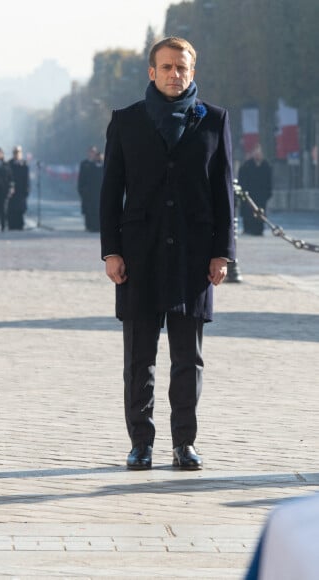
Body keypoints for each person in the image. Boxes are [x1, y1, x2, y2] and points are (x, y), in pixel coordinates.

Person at [100, 36, 235, 471]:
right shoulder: (126, 121)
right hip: (139, 256)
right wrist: (111, 252)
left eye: (182, 68)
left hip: (194, 257)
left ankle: (184, 443)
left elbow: (223, 194)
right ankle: (141, 442)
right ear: (151, 72)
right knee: (139, 358)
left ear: (193, 72)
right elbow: (110, 193)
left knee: (187, 359)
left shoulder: (214, 120)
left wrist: (222, 254)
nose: (175, 74)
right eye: (167, 67)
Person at [238, 144, 272, 235]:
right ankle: (248, 229)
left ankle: (259, 230)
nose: (258, 155)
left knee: (260, 213)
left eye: (259, 153)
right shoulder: (246, 166)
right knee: (248, 213)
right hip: (249, 195)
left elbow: (269, 181)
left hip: (261, 196)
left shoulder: (266, 166)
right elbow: (242, 181)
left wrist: (268, 193)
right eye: (256, 153)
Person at [78, 146, 102, 232]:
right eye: (91, 152)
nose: (92, 154)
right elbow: (81, 179)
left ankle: (97, 226)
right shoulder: (84, 164)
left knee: (97, 210)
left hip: (97, 192)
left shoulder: (99, 164)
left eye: (94, 152)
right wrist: (82, 191)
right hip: (88, 192)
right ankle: (89, 226)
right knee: (88, 210)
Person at [7, 146, 30, 230]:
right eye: (15, 152)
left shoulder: (24, 164)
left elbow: (27, 179)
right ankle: (11, 225)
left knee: (21, 209)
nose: (17, 154)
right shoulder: (9, 164)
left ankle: (20, 224)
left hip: (21, 190)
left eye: (19, 152)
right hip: (12, 190)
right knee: (11, 209)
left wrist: (27, 189)